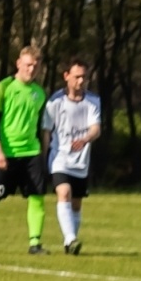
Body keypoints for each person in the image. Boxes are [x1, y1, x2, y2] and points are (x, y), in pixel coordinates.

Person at [0, 46, 50, 254]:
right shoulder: (4, 87)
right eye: (27, 65)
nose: (31, 69)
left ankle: (35, 244)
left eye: (35, 65)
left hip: (31, 153)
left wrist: (43, 154)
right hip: (5, 154)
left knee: (37, 197)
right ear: (18, 64)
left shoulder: (39, 93)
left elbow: (42, 127)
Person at [41, 57, 103, 256]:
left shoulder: (93, 101)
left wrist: (85, 139)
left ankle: (70, 243)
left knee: (76, 204)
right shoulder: (55, 101)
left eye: (84, 77)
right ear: (66, 76)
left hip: (81, 162)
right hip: (60, 159)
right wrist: (43, 157)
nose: (80, 81)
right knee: (64, 193)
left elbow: (96, 129)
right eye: (76, 77)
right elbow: (47, 131)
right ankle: (70, 238)